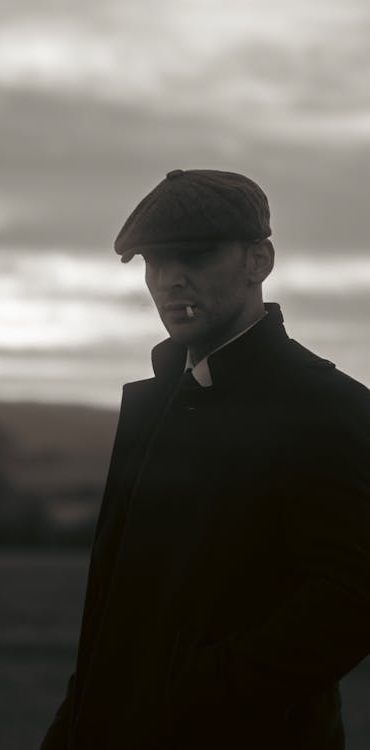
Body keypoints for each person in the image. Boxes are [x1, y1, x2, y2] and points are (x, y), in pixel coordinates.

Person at [41, 169, 370, 749]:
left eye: (194, 255)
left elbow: (352, 597)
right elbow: (115, 610)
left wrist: (201, 693)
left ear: (258, 261)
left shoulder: (327, 407)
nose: (170, 280)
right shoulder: (156, 403)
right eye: (154, 262)